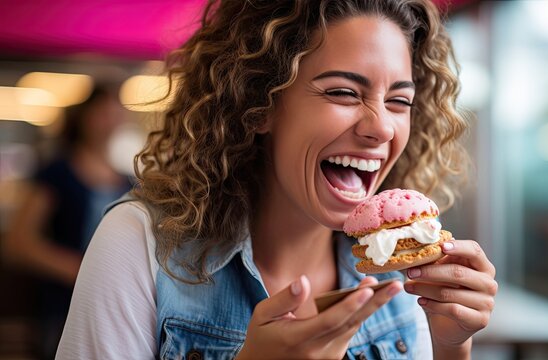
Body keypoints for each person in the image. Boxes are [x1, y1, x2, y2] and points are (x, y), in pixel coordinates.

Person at [56, 1, 497, 359]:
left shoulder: (401, 269)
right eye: (343, 92)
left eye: (400, 100)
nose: (382, 128)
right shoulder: (141, 245)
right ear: (260, 103)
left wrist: (452, 346)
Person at [3, 85, 131, 359]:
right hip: (61, 306)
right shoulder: (57, 172)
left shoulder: (127, 181)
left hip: (110, 308)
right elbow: (18, 243)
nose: (109, 119)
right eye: (102, 111)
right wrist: (78, 269)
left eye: (115, 111)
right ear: (85, 116)